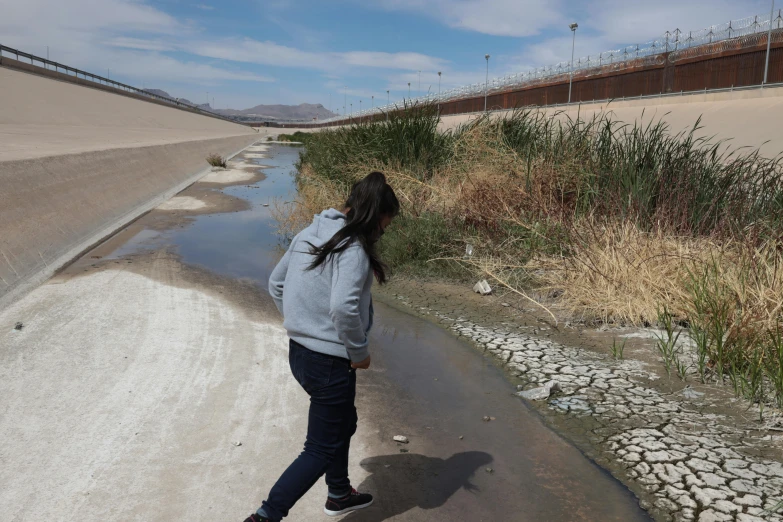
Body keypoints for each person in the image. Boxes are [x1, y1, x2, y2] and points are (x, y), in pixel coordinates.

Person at [244, 171, 400, 522]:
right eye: (385, 226)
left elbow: (276, 284)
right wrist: (359, 353)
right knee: (318, 448)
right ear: (375, 218)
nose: (383, 233)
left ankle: (339, 493)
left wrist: (303, 326)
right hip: (331, 363)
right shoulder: (353, 248)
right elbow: (343, 307)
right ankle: (266, 515)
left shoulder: (309, 232)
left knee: (344, 423)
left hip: (299, 354)